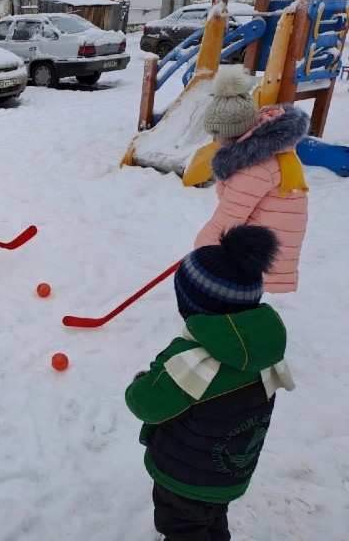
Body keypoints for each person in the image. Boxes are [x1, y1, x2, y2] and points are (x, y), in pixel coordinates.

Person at [125, 224, 295, 541]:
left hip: (185, 478)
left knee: (183, 529)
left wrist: (142, 381)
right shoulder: (262, 348)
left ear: (190, 306)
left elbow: (145, 403)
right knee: (212, 517)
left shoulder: (191, 362)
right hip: (228, 474)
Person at [196, 65, 310, 292]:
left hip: (264, 243)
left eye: (216, 134)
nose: (214, 139)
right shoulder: (269, 149)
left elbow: (229, 216)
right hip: (271, 235)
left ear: (231, 134)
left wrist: (201, 249)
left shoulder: (253, 168)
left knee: (241, 288)